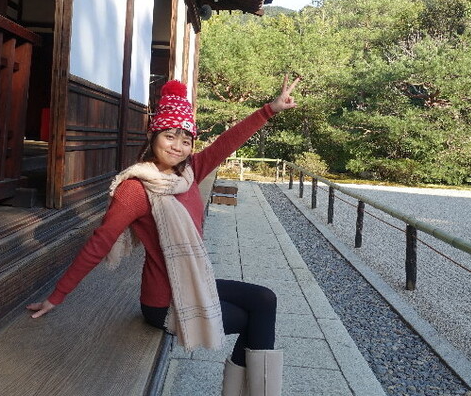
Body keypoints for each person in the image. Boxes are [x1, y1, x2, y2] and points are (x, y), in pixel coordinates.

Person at [27, 75, 299, 396]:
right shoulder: (136, 188)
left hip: (194, 284)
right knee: (251, 320)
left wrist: (271, 109)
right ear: (153, 135)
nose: (177, 146)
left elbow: (227, 142)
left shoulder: (190, 172)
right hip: (163, 302)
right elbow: (99, 243)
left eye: (186, 140)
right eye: (170, 136)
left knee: (265, 298)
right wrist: (57, 296)